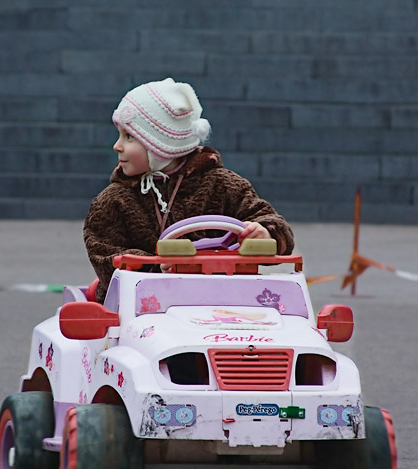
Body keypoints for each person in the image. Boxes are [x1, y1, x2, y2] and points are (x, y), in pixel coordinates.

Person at [83, 77, 294, 303]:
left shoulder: (222, 185)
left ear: (161, 145)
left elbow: (269, 220)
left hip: (224, 300)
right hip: (144, 304)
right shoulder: (114, 200)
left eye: (129, 137)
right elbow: (104, 253)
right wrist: (153, 267)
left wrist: (265, 232)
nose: (117, 146)